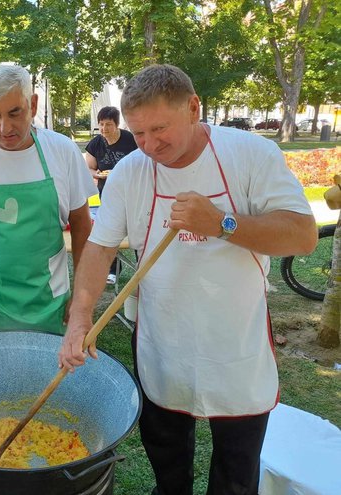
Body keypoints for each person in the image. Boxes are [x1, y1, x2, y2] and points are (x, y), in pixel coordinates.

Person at [58, 64, 317, 494]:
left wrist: (222, 224)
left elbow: (303, 236)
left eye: (159, 129)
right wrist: (81, 317)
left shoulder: (251, 154)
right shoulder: (131, 171)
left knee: (235, 477)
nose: (149, 145)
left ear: (194, 108)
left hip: (235, 345)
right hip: (163, 341)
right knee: (168, 468)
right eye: (138, 133)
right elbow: (100, 248)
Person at [0, 63, 97, 335]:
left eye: (15, 113)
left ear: (33, 105)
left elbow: (82, 226)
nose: (4, 127)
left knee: (49, 374)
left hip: (49, 298)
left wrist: (82, 299)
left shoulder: (63, 151)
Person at [85, 106, 138, 284]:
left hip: (133, 192)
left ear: (117, 124)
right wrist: (96, 174)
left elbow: (142, 162)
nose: (104, 129)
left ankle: (142, 265)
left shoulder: (130, 140)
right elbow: (90, 168)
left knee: (137, 228)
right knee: (111, 230)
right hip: (107, 193)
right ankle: (113, 271)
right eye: (101, 124)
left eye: (108, 124)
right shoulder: (95, 144)